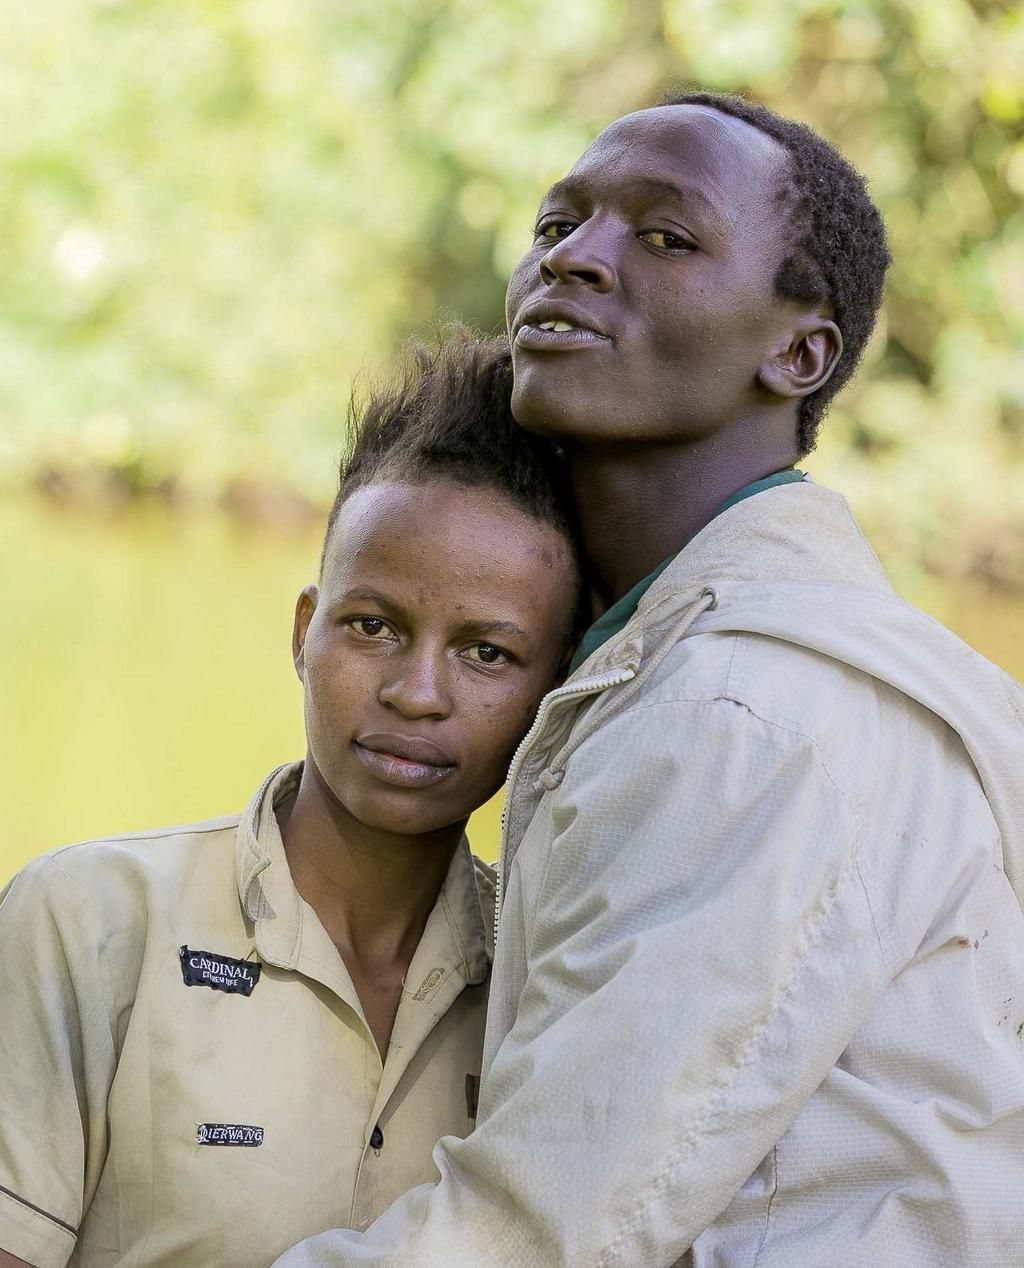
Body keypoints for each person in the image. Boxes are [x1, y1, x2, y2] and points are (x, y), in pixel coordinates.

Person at [273, 93, 1024, 1267]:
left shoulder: (745, 710)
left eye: (665, 236)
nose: (573, 258)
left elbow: (542, 1231)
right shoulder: (702, 654)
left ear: (798, 352)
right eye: (555, 224)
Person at [0, 333, 582, 1268]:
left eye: (487, 653)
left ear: (553, 688)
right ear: (306, 631)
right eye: (373, 626)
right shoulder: (89, 921)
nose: (416, 693)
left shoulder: (548, 989)